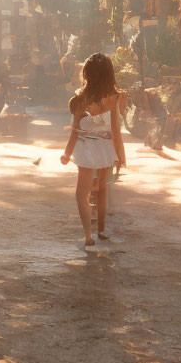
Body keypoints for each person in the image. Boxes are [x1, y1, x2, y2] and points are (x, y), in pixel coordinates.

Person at [60, 53, 127, 249]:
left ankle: (88, 234)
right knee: (103, 189)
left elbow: (75, 130)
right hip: (106, 148)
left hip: (86, 148)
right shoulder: (116, 97)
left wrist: (66, 153)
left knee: (82, 194)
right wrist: (120, 154)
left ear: (87, 73)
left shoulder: (81, 98)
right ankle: (102, 230)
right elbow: (116, 129)